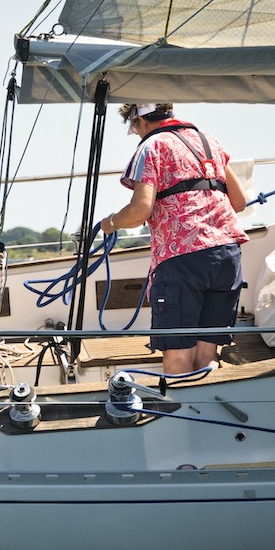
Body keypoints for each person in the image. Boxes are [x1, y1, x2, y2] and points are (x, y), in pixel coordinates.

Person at [101, 103, 249, 375]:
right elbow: (239, 202)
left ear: (139, 121)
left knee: (179, 354)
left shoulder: (152, 146)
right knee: (207, 354)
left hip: (183, 258)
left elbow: (139, 211)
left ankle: (180, 416)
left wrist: (109, 223)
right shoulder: (208, 141)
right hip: (227, 254)